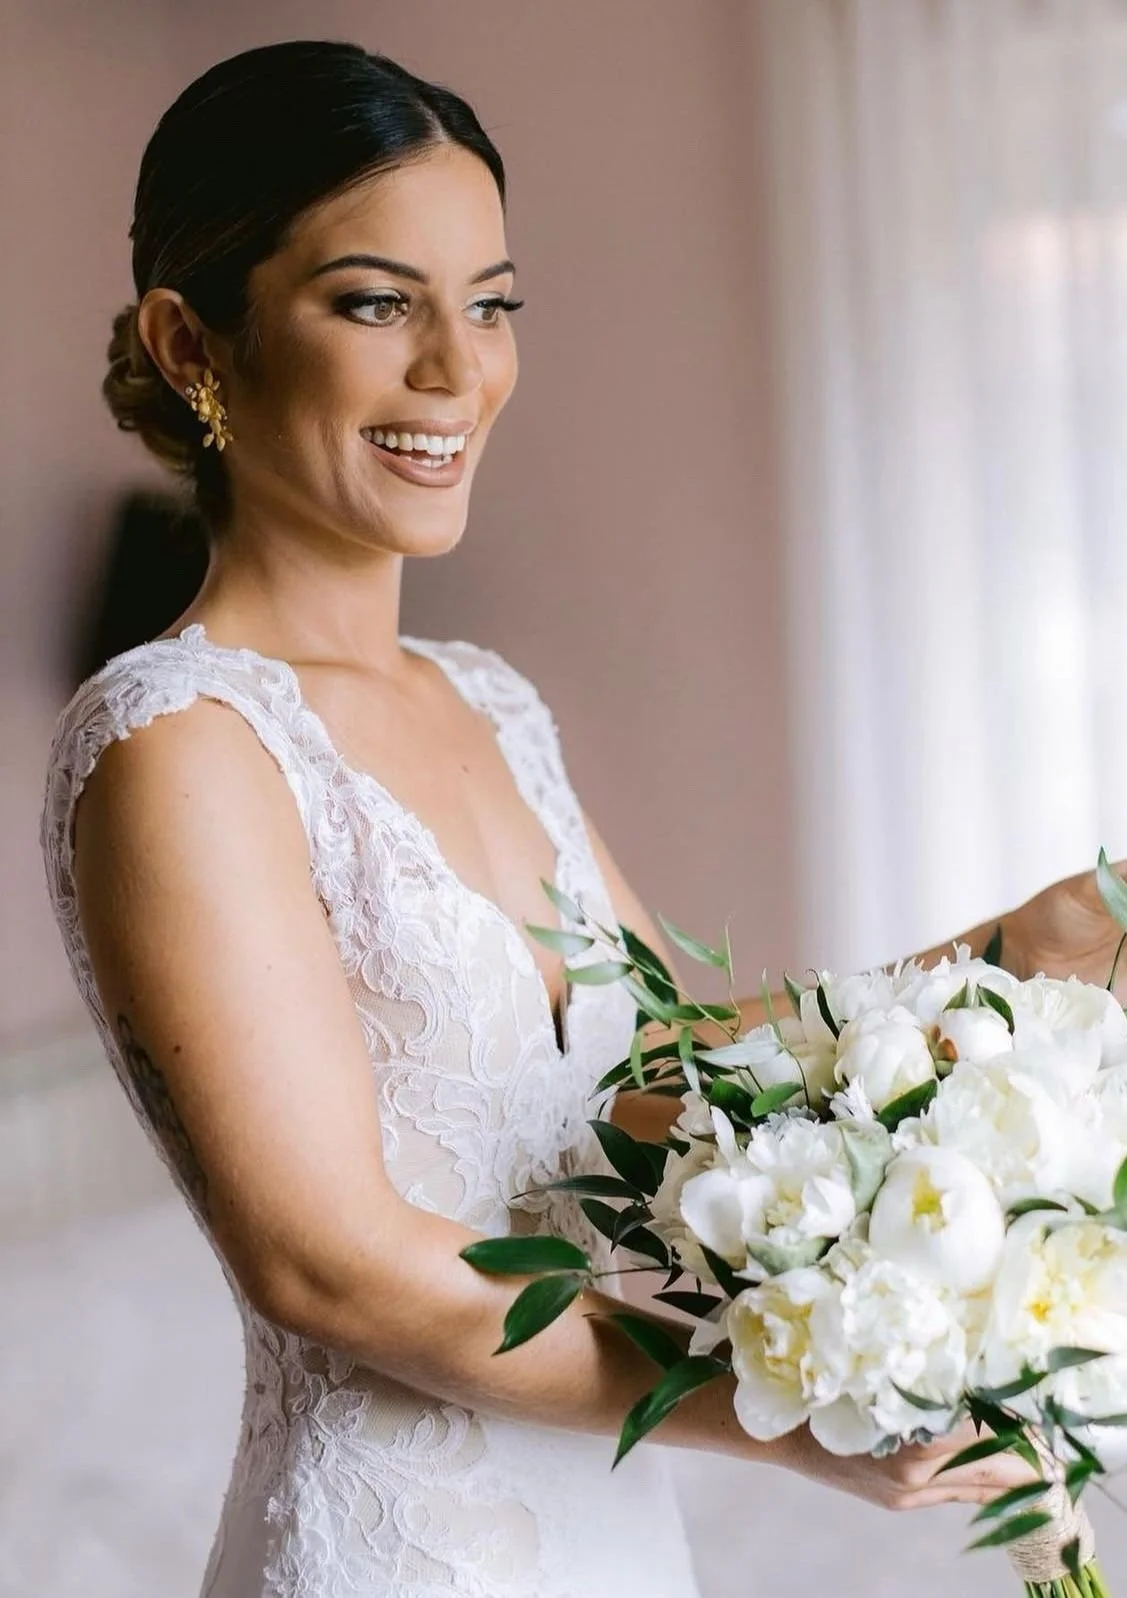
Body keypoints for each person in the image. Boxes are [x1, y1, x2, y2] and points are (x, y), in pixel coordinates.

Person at [38, 39, 1125, 1598]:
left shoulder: (488, 698)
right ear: (190, 340)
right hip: (388, 1550)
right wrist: (776, 1412)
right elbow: (327, 1263)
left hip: (602, 1538)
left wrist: (1034, 941)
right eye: (372, 301)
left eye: (489, 302)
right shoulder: (178, 738)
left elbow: (668, 1093)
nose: (455, 369)